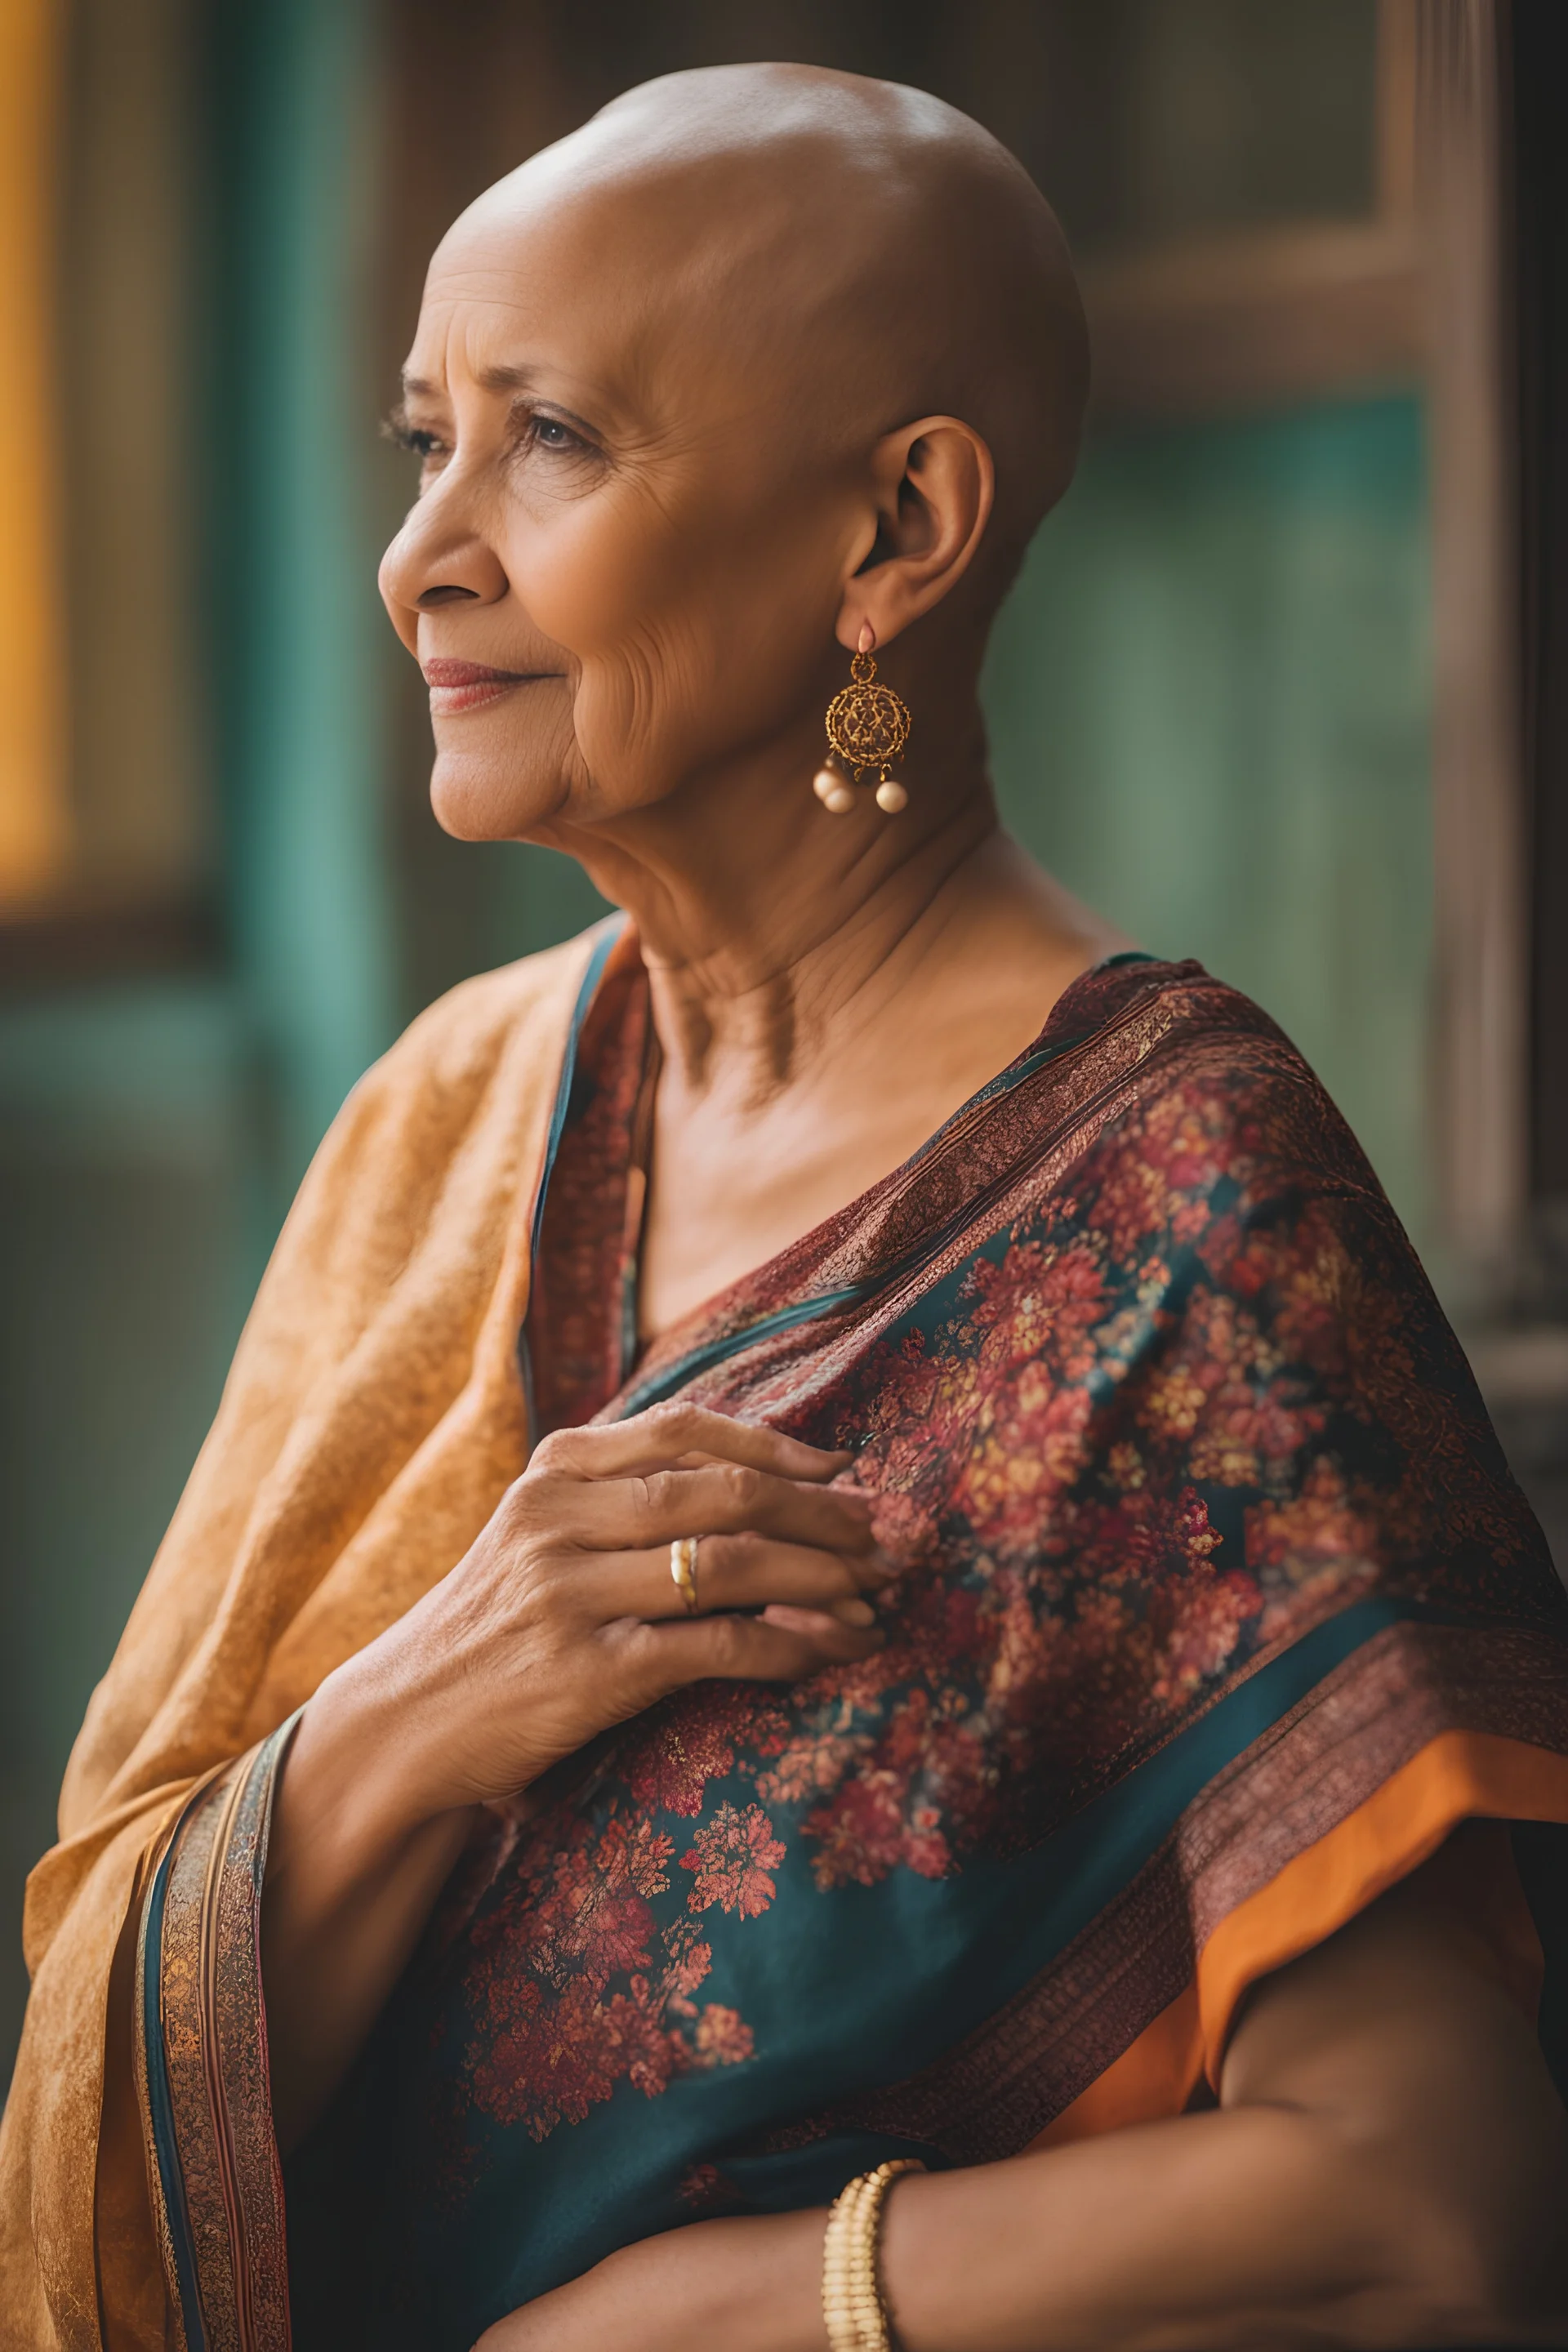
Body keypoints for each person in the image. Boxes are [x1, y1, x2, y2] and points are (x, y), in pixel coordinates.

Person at [4, 60, 1567, 2352]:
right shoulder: (445, 1119)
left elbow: (1431, 2219)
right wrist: (428, 1706)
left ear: (896, 535)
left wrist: (746, 2309)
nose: (424, 551)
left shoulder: (1182, 1203)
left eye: (550, 439)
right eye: (420, 440)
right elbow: (98, 2028)